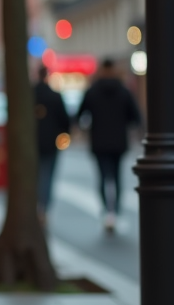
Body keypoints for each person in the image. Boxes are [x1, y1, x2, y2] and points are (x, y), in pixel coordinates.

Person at [77, 58, 141, 234]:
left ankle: (107, 211)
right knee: (117, 177)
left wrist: (86, 128)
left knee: (103, 177)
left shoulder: (92, 91)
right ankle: (116, 211)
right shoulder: (124, 91)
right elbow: (135, 117)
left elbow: (80, 115)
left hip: (99, 142)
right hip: (119, 142)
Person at [34, 65, 71, 226]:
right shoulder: (54, 96)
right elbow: (65, 120)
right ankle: (44, 207)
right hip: (50, 142)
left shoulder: (30, 94)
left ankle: (36, 206)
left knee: (34, 175)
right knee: (47, 175)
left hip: (32, 142)